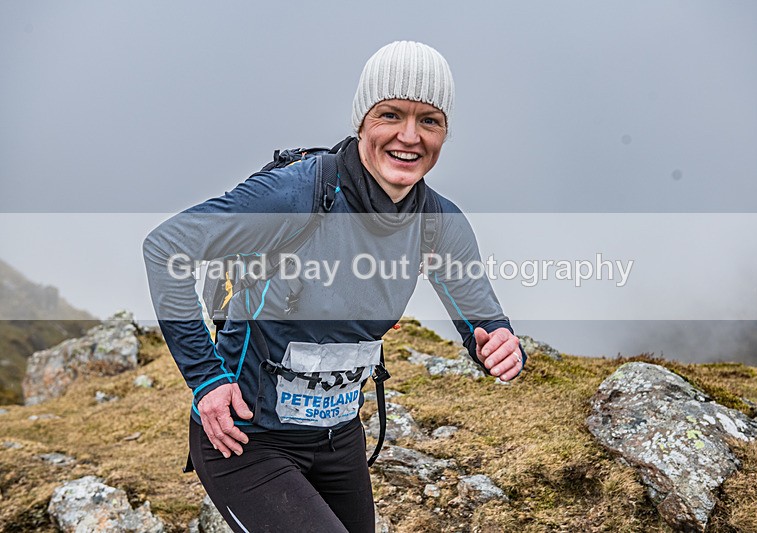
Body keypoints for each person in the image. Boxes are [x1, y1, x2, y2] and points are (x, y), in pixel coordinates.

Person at [144, 40, 526, 533]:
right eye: (390, 114)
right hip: (246, 439)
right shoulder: (296, 195)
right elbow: (166, 248)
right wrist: (207, 379)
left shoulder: (438, 223)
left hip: (339, 438)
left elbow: (484, 319)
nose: (409, 137)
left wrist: (498, 343)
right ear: (361, 122)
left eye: (429, 120)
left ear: (445, 133)